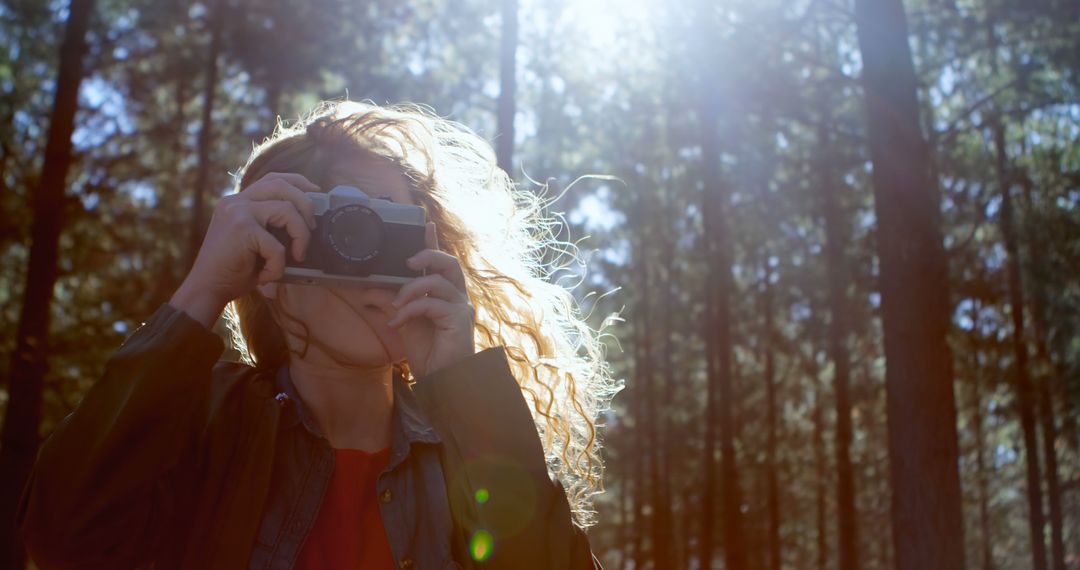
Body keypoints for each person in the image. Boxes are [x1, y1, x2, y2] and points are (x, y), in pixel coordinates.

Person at [17, 101, 618, 569]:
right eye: (345, 229)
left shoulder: (461, 447)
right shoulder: (204, 422)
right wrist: (200, 293)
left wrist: (462, 389)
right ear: (267, 261)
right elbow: (65, 539)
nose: (372, 264)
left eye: (393, 230)